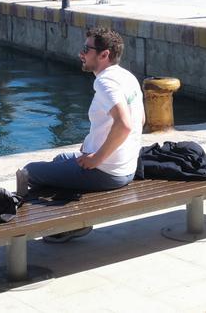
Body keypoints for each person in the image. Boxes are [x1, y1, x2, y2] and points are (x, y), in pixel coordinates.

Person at [18, 27, 144, 243]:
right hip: (125, 168)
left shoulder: (106, 82)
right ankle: (68, 222)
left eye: (86, 49)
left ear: (104, 55)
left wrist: (97, 159)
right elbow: (140, 120)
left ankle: (28, 232)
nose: (81, 53)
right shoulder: (127, 76)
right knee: (60, 159)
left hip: (106, 172)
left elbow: (125, 125)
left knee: (27, 172)